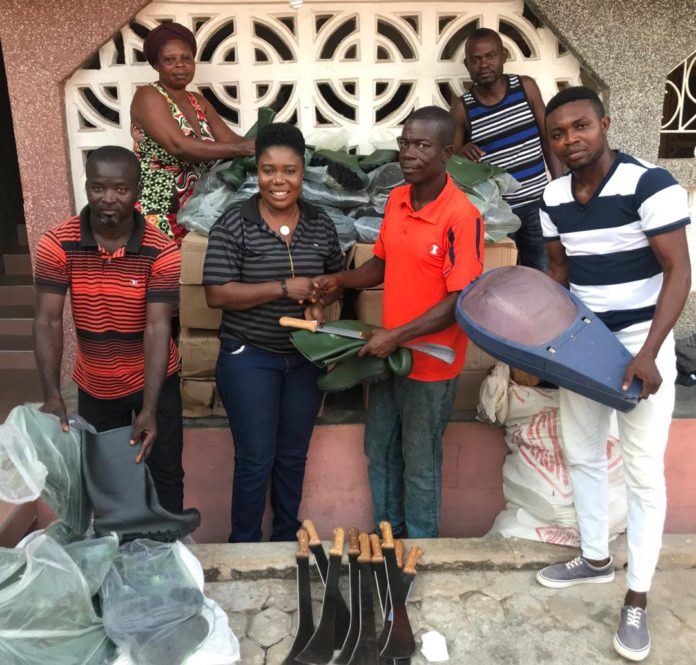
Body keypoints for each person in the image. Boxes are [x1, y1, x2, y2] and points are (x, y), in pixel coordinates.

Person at [535, 87, 691, 662]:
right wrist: (538, 343)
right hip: (582, 344)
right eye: (558, 133)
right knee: (580, 451)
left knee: (644, 473)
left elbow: (679, 271)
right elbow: (557, 274)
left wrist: (649, 351)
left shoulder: (649, 184)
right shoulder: (551, 197)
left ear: (604, 123)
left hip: (640, 347)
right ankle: (595, 557)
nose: (571, 140)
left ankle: (638, 597)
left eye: (581, 127)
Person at [315, 107, 484, 538]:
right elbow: (383, 264)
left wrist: (397, 336)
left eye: (421, 145)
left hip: (429, 365)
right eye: (405, 142)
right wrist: (342, 280)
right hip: (388, 357)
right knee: (380, 452)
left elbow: (459, 299)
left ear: (447, 152)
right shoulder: (397, 199)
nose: (408, 153)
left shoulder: (461, 217)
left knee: (420, 464)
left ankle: (420, 553)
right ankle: (387, 540)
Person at [203, 123, 344, 543]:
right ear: (255, 173)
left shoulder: (320, 223)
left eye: (289, 170)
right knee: (255, 459)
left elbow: (335, 278)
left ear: (303, 172)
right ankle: (243, 547)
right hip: (250, 355)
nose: (279, 181)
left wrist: (321, 301)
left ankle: (286, 540)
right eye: (268, 170)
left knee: (291, 457)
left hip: (304, 359)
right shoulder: (234, 222)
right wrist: (284, 287)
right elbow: (216, 294)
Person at [33, 146, 187, 513]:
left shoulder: (162, 250)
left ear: (137, 190)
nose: (109, 199)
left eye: (120, 189)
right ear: (87, 187)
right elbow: (47, 320)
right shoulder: (57, 243)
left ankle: (169, 551)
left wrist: (149, 409)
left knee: (165, 471)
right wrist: (53, 396)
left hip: (155, 380)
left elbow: (157, 327)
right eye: (98, 188)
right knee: (106, 476)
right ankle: (117, 552)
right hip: (96, 385)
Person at [450, 27, 563, 271]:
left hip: (537, 203)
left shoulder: (526, 88)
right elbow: (449, 162)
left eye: (490, 56)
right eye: (476, 59)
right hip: (496, 215)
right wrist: (461, 155)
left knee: (543, 275)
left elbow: (548, 138)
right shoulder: (463, 108)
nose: (484, 64)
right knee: (502, 280)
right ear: (467, 64)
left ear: (503, 56)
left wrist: (560, 188)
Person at [131, 22, 255, 243]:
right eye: (170, 60)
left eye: (186, 58)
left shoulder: (197, 101)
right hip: (159, 206)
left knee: (195, 270)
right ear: (156, 64)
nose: (180, 65)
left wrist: (269, 145)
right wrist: (242, 147)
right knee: (168, 271)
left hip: (200, 205)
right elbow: (178, 146)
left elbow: (231, 142)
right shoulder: (148, 96)